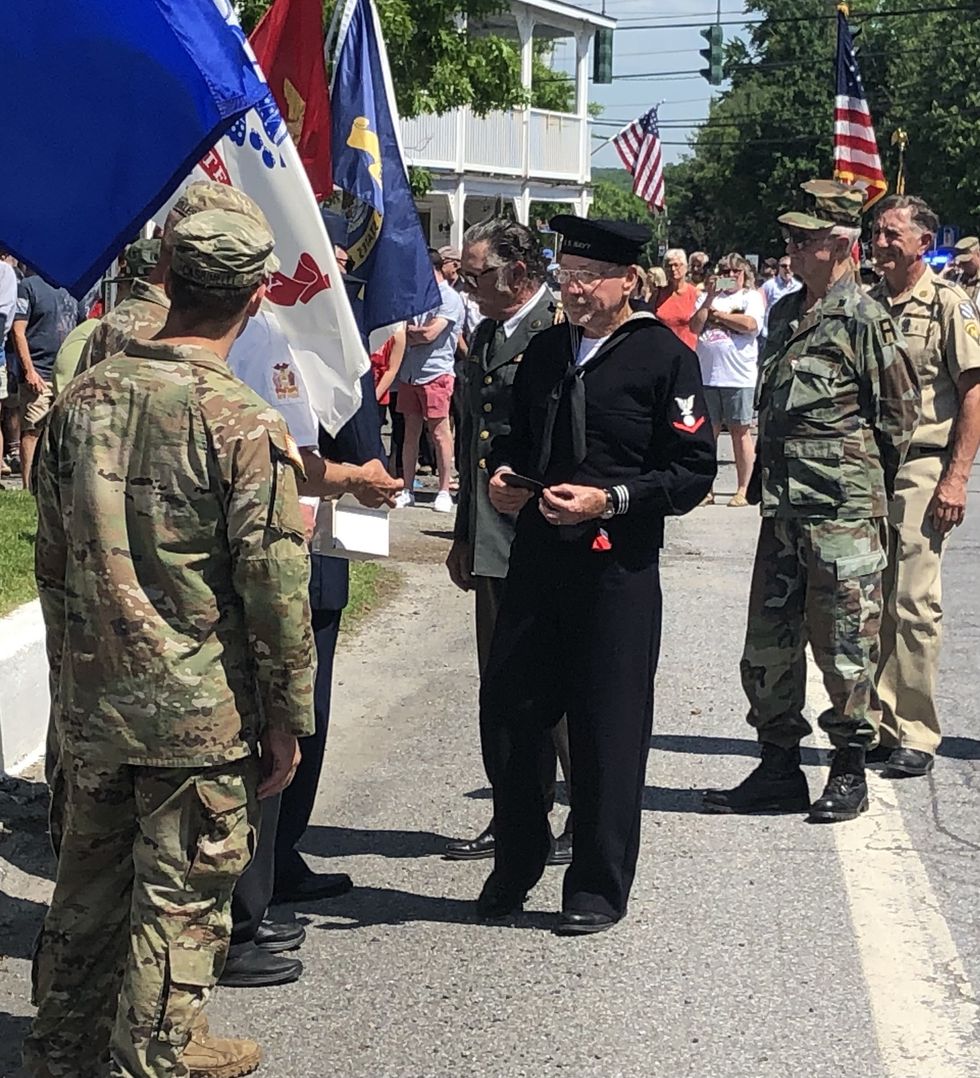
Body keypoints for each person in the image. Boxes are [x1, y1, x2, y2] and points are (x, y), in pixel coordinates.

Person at [26, 209, 314, 1078]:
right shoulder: (242, 422)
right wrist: (289, 714)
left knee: (86, 887)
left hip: (92, 696)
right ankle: (158, 1052)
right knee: (180, 896)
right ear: (257, 296)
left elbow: (49, 556)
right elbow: (274, 589)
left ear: (168, 285)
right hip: (197, 711)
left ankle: (61, 1046)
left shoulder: (81, 399)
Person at [476, 215, 716, 934]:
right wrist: (505, 478)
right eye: (566, 275)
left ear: (628, 282)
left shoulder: (662, 358)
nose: (574, 290)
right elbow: (519, 440)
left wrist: (611, 500)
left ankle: (596, 886)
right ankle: (516, 863)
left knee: (607, 728)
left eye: (589, 277)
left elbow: (691, 471)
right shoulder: (548, 352)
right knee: (513, 714)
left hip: (617, 569)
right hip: (540, 560)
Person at [703, 180, 919, 823]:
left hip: (843, 514)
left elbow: (897, 422)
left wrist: (854, 489)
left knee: (846, 644)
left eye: (803, 239)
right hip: (783, 510)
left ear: (839, 244)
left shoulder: (866, 318)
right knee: (767, 644)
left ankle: (850, 768)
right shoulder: (786, 312)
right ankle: (777, 767)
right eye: (790, 238)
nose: (791, 249)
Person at [444, 217, 573, 864]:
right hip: (493, 538)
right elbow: (474, 445)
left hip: (546, 537)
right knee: (499, 684)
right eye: (463, 275)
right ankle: (513, 813)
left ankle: (583, 810)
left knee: (554, 686)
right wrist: (464, 533)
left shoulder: (559, 333)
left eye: (477, 274)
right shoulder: (489, 334)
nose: (467, 286)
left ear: (518, 274)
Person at [869, 196, 980, 775]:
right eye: (877, 233)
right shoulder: (867, 305)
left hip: (922, 466)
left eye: (892, 234)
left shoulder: (947, 304)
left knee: (912, 601)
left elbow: (972, 391)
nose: (881, 242)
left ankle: (915, 732)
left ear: (921, 240)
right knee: (872, 599)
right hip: (869, 468)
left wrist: (956, 478)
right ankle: (881, 723)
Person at [689, 252, 764, 507]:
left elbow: (750, 325)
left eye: (736, 271)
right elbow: (694, 327)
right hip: (708, 374)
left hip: (738, 375)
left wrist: (719, 316)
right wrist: (709, 297)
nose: (730, 276)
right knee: (707, 433)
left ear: (745, 274)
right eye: (725, 271)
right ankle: (706, 488)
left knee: (740, 432)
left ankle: (744, 487)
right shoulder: (705, 298)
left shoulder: (750, 297)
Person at [393, 250, 464, 512]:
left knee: (439, 432)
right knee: (409, 433)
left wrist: (407, 333)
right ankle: (407, 488)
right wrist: (410, 333)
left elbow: (429, 334)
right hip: (410, 372)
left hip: (437, 372)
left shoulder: (449, 298)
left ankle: (444, 489)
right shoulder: (417, 295)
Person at [10, 268, 79, 487]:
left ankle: (58, 485)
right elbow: (18, 330)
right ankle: (28, 486)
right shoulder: (29, 287)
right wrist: (29, 370)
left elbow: (81, 329)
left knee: (66, 431)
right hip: (38, 373)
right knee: (32, 430)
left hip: (67, 374)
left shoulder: (73, 287)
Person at [653, 248, 698, 349]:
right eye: (669, 266)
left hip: (687, 352)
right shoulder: (657, 294)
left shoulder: (696, 294)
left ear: (685, 267)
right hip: (663, 350)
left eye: (676, 265)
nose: (673, 269)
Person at [759, 254, 802, 351]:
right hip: (769, 335)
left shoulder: (799, 287)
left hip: (790, 334)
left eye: (790, 266)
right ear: (779, 268)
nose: (787, 269)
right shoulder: (769, 286)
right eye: (784, 266)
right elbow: (760, 308)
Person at [950, 235, 980, 305]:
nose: (963, 265)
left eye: (967, 261)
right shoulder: (956, 280)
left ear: (978, 254)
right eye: (962, 262)